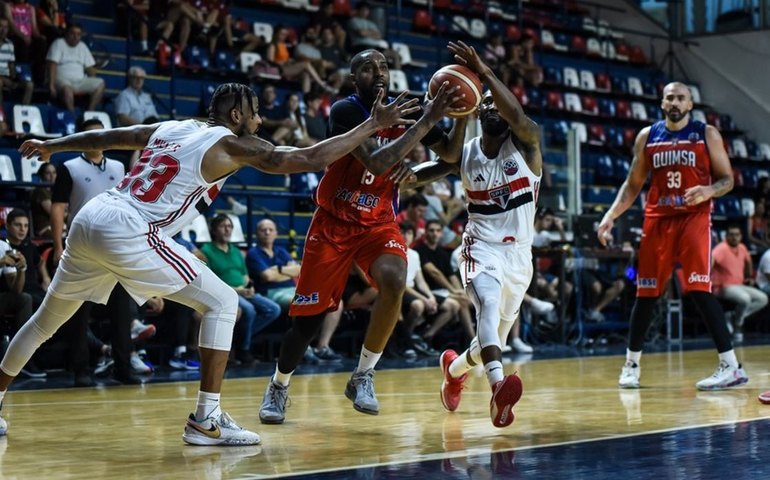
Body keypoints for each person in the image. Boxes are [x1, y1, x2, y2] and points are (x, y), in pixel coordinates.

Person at [0, 81, 418, 442]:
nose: (259, 122)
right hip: (130, 227)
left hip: (91, 216)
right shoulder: (233, 143)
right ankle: (206, 420)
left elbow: (110, 136)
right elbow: (309, 159)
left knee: (43, 321)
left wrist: (54, 144)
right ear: (237, 114)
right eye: (254, 115)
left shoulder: (173, 126)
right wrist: (372, 125)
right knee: (223, 302)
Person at [258, 48, 464, 424]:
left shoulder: (408, 109)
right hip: (334, 221)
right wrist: (427, 120)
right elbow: (379, 161)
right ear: (356, 79)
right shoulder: (345, 111)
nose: (379, 73)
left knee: (395, 279)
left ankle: (363, 374)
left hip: (377, 222)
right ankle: (279, 384)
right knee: (308, 321)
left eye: (384, 66)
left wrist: (459, 117)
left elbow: (451, 157)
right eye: (368, 68)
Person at [408, 41, 541, 427]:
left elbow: (515, 113)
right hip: (480, 247)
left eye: (497, 103)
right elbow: (427, 171)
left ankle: (452, 370)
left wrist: (483, 71)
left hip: (520, 258)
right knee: (485, 302)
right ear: (475, 111)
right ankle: (498, 388)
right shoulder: (464, 154)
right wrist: (400, 180)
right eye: (484, 103)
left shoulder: (527, 146)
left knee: (487, 341)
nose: (493, 108)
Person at [596, 81, 748, 391]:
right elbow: (632, 185)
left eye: (681, 98)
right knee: (646, 293)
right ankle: (631, 365)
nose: (675, 102)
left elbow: (727, 180)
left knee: (699, 288)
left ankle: (731, 366)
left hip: (694, 217)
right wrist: (610, 216)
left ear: (690, 104)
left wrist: (707, 190)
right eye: (670, 98)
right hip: (658, 219)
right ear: (662, 103)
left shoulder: (707, 134)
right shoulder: (647, 136)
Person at [49, 118, 136, 387]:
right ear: (81, 139)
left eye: (101, 135)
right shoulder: (69, 167)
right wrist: (57, 245)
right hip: (82, 249)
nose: (97, 139)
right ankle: (81, 368)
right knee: (79, 312)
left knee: (123, 310)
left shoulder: (119, 166)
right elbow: (58, 208)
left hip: (115, 248)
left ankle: (123, 366)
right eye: (90, 135)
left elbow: (128, 205)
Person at [200, 213, 281, 365]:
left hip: (243, 292)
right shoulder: (206, 250)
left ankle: (237, 338)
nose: (227, 230)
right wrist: (238, 290)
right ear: (214, 230)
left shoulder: (236, 251)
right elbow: (209, 281)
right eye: (223, 226)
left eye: (230, 226)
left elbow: (245, 276)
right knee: (249, 310)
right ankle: (244, 350)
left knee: (273, 309)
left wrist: (249, 287)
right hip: (224, 292)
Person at [711, 225, 768, 342]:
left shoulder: (742, 247)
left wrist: (750, 277)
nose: (734, 237)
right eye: (731, 235)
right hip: (723, 286)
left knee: (763, 298)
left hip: (739, 285)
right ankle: (737, 327)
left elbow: (748, 262)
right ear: (726, 236)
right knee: (745, 299)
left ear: (741, 236)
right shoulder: (721, 249)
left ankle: (733, 316)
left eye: (737, 235)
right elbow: (710, 262)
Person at [46, 23, 105, 112]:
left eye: (78, 34)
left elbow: (90, 68)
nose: (75, 37)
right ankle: (72, 115)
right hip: (62, 81)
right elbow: (52, 65)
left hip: (80, 82)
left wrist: (92, 80)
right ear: (67, 33)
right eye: (72, 33)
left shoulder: (82, 46)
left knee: (100, 83)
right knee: (67, 89)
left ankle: (90, 112)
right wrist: (51, 85)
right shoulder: (58, 43)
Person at [0, 17, 33, 105]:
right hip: (1, 79)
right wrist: (2, 78)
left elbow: (11, 64)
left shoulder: (10, 45)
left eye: (6, 27)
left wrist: (14, 77)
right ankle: (1, 113)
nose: (3, 30)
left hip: (7, 78)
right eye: (0, 26)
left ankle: (23, 111)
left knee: (29, 85)